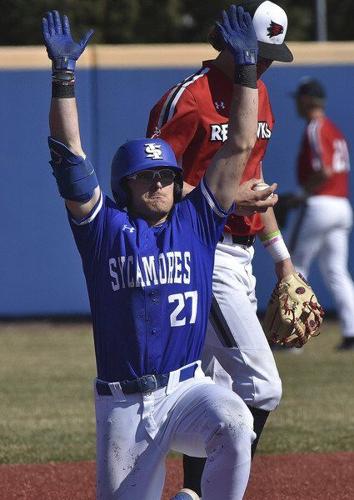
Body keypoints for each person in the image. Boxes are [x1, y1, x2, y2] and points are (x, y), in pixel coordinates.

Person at [42, 8, 277, 500]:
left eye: (168, 175)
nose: (160, 183)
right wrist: (64, 79)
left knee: (234, 418)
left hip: (187, 391)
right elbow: (68, 154)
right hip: (125, 407)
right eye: (147, 177)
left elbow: (238, 143)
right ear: (124, 187)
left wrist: (248, 70)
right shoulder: (104, 229)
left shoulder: (197, 221)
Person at [147, 1, 295, 496]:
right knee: (263, 386)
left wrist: (285, 264)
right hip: (200, 255)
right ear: (231, 43)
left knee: (217, 391)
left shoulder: (260, 95)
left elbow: (254, 186)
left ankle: (193, 494)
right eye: (259, 51)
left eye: (273, 52)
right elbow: (149, 188)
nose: (267, 61)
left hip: (244, 255)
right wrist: (226, 194)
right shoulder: (189, 98)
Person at [290, 77, 354, 351]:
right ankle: (351, 331)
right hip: (341, 205)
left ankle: (293, 337)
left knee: (292, 267)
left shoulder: (316, 127)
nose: (296, 104)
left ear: (307, 101)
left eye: (299, 99)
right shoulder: (335, 130)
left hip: (321, 204)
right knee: (336, 271)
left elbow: (324, 169)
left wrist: (303, 193)